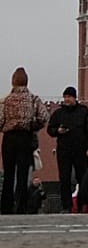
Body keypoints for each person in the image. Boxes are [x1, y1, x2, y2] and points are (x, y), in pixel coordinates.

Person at [1, 67, 48, 215]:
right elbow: (44, 117)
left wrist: (5, 126)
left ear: (13, 81)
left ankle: (6, 207)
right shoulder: (33, 99)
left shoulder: (5, 100)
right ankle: (21, 207)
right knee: (22, 174)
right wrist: (33, 125)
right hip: (25, 137)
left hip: (9, 138)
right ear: (27, 81)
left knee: (8, 174)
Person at [47, 86, 88, 213]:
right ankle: (66, 206)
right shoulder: (58, 113)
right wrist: (58, 131)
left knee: (83, 178)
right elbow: (50, 129)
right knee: (64, 178)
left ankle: (83, 205)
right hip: (64, 151)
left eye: (69, 97)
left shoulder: (84, 111)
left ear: (74, 98)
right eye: (65, 97)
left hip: (80, 151)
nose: (67, 99)